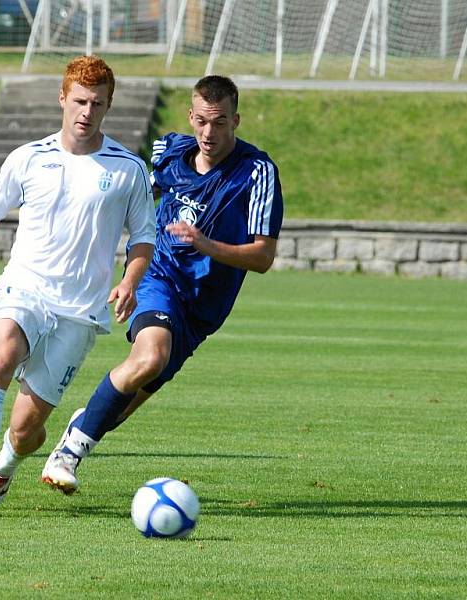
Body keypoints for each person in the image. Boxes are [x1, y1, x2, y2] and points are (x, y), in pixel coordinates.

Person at [41, 75, 285, 494]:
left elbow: (262, 256)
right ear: (191, 116)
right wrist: (126, 272)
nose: (210, 132)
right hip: (160, 278)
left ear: (236, 120)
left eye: (221, 122)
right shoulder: (168, 153)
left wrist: (207, 245)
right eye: (203, 121)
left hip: (203, 309)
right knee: (150, 357)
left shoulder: (256, 172)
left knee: (118, 408)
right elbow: (130, 200)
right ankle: (68, 455)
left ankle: (81, 427)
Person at [0, 55, 156, 519]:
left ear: (108, 105)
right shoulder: (28, 157)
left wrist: (129, 282)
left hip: (79, 312)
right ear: (62, 98)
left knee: (25, 430)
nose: (86, 112)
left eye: (97, 103)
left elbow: (143, 239)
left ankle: (4, 467)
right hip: (25, 290)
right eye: (79, 100)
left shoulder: (127, 169)